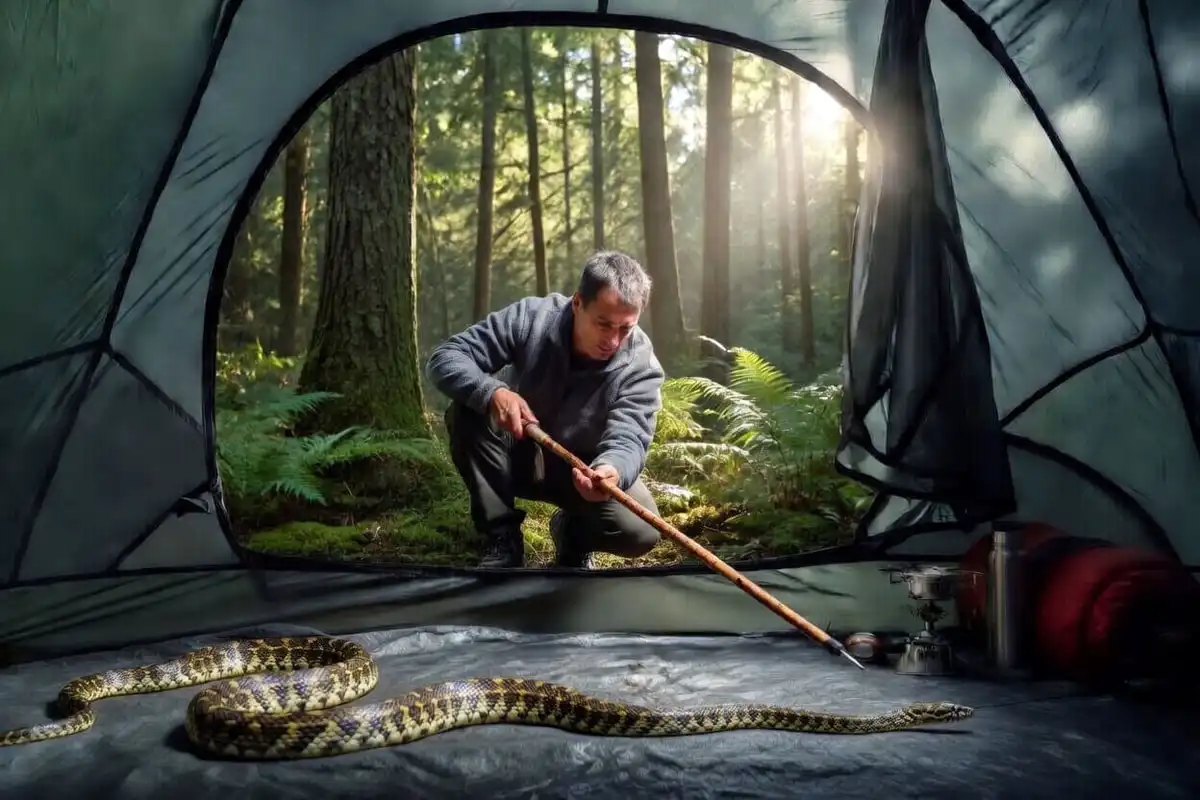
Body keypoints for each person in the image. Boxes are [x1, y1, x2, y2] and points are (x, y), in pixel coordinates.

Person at [426, 250, 665, 569]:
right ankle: (501, 539)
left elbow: (630, 438)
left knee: (641, 530)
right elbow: (446, 357)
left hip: (583, 472)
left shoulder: (641, 366)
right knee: (468, 410)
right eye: (603, 324)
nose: (613, 340)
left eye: (625, 328)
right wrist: (492, 392)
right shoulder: (532, 318)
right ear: (577, 302)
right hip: (515, 452)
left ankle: (573, 537)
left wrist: (612, 470)